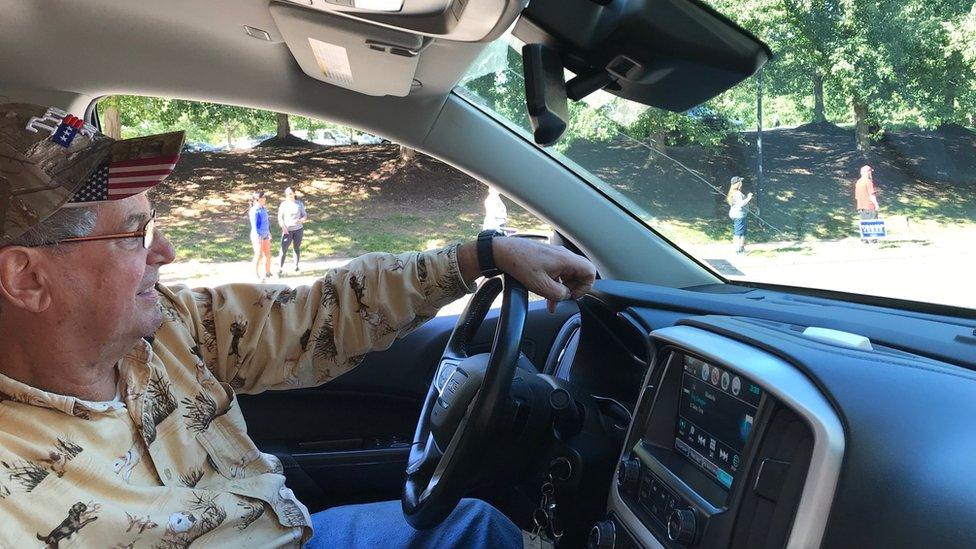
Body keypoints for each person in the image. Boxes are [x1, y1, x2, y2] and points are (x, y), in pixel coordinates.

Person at [0, 103, 596, 547]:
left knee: (475, 528)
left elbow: (315, 318)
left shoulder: (165, 331)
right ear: (26, 279)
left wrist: (478, 258)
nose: (166, 253)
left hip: (291, 533)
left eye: (153, 225)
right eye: (134, 234)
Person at [277, 187, 308, 276]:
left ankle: (296, 266)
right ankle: (280, 268)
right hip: (287, 231)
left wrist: (302, 219)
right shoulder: (284, 204)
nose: (289, 195)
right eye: (287, 194)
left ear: (294, 194)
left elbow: (304, 215)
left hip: (298, 230)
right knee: (283, 249)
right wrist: (283, 226)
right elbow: (280, 217)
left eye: (290, 193)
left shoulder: (299, 204)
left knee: (296, 248)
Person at [249, 191, 273, 282]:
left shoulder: (263, 208)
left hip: (265, 234)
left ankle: (268, 272)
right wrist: (256, 235)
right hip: (257, 235)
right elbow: (254, 224)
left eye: (265, 197)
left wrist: (269, 232)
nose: (265, 198)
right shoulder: (254, 210)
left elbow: (267, 221)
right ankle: (256, 273)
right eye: (263, 197)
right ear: (258, 199)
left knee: (267, 254)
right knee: (258, 254)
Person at [726, 176, 753, 254]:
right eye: (740, 182)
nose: (741, 183)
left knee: (742, 232)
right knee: (738, 233)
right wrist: (748, 198)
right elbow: (741, 204)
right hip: (739, 215)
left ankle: (742, 248)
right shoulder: (737, 193)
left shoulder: (733, 192)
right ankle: (738, 250)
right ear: (738, 184)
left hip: (737, 214)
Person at [854, 165, 880, 242]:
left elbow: (856, 196)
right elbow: (871, 195)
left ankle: (864, 239)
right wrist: (876, 204)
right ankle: (872, 241)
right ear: (867, 173)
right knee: (872, 223)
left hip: (861, 206)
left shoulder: (858, 182)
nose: (871, 173)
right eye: (870, 172)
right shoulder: (868, 182)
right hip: (869, 206)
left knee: (864, 223)